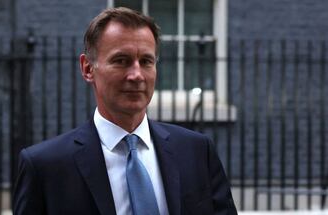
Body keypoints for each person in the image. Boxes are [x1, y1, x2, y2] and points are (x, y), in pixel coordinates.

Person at [13, 7, 237, 215]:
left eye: (146, 61)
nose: (137, 75)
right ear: (88, 68)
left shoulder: (197, 152)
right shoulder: (45, 167)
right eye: (121, 60)